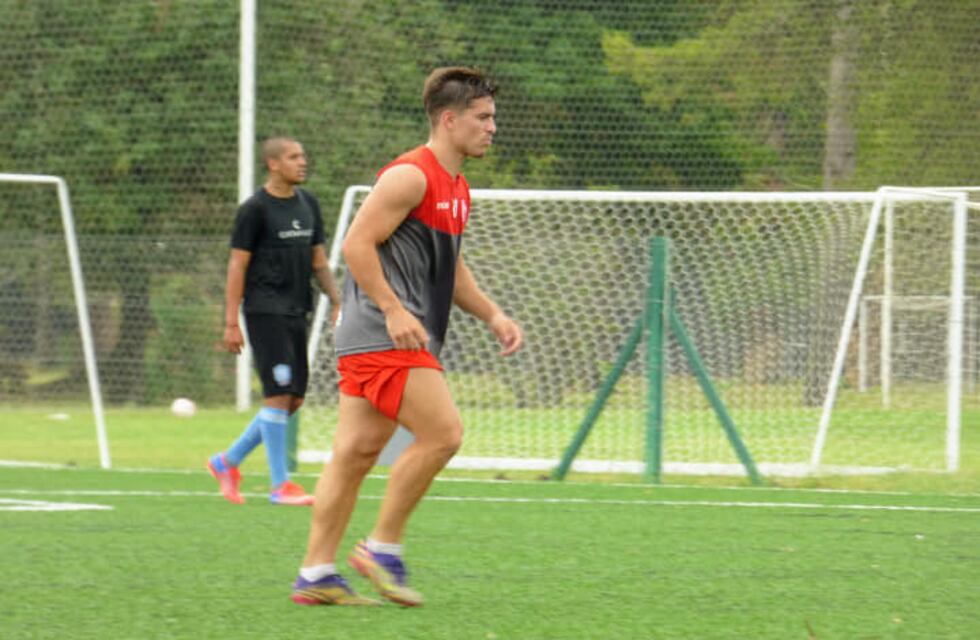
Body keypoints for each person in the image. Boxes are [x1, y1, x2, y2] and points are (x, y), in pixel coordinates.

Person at [290, 66, 523, 607]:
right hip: (382, 335)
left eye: (494, 118)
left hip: (379, 337)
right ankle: (382, 549)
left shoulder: (457, 187)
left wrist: (492, 314)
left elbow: (451, 267)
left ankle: (316, 573)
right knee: (443, 434)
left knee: (354, 454)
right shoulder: (409, 176)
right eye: (483, 118)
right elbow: (356, 245)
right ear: (449, 119)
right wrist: (394, 310)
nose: (493, 128)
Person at [207, 136, 341, 507]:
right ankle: (281, 485)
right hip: (265, 311)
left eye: (303, 155)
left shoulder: (309, 203)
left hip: (298, 309)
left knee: (292, 400)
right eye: (294, 157)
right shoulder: (255, 209)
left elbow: (318, 259)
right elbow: (238, 264)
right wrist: (230, 321)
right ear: (273, 164)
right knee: (278, 396)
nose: (302, 162)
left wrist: (337, 299)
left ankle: (226, 462)